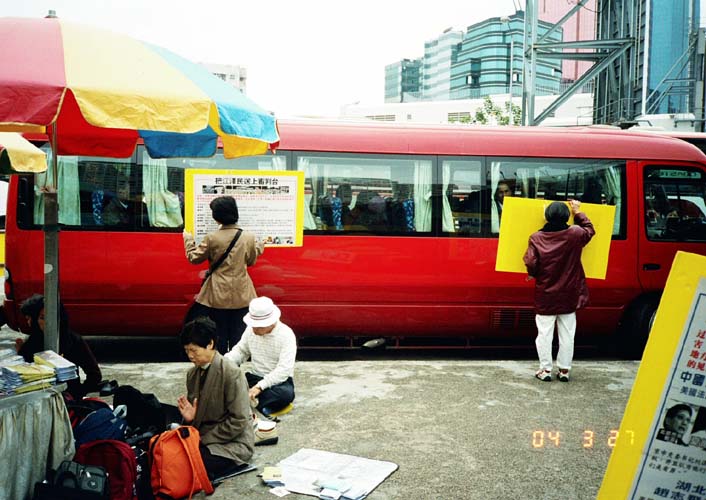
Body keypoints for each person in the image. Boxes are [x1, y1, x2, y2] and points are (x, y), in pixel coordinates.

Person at [523, 200, 595, 382]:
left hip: (545, 293)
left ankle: (545, 370)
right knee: (567, 334)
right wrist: (578, 212)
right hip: (569, 293)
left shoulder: (536, 238)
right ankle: (564, 370)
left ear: (546, 216)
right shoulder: (575, 234)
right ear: (566, 216)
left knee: (544, 334)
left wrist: (532, 273)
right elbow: (589, 229)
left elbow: (531, 261)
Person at [177, 316, 254, 482]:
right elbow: (198, 415)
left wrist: (203, 439)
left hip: (232, 442)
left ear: (210, 344)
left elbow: (239, 420)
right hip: (203, 437)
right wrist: (190, 419)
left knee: (190, 464)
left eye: (194, 350)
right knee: (173, 455)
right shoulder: (192, 374)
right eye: (187, 350)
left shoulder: (231, 373)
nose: (190, 356)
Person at [184, 196, 264, 354]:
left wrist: (188, 240)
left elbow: (194, 258)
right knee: (238, 336)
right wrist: (259, 248)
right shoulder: (248, 237)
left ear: (216, 216)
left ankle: (220, 364)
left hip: (217, 294)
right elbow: (251, 261)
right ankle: (234, 366)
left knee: (218, 333)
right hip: (242, 293)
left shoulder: (212, 237)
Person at [16, 294, 102, 399]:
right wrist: (20, 354)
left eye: (50, 318)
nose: (48, 323)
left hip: (68, 399)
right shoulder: (31, 343)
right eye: (42, 318)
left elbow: (94, 375)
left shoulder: (73, 340)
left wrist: (78, 392)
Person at [225, 296, 296, 419]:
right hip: (254, 376)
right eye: (253, 325)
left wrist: (259, 387)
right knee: (230, 382)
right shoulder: (250, 330)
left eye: (258, 326)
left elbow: (284, 370)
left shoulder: (286, 335)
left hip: (278, 382)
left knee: (285, 394)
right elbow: (241, 351)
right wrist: (224, 362)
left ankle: (245, 400)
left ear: (271, 323)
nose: (254, 329)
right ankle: (257, 403)